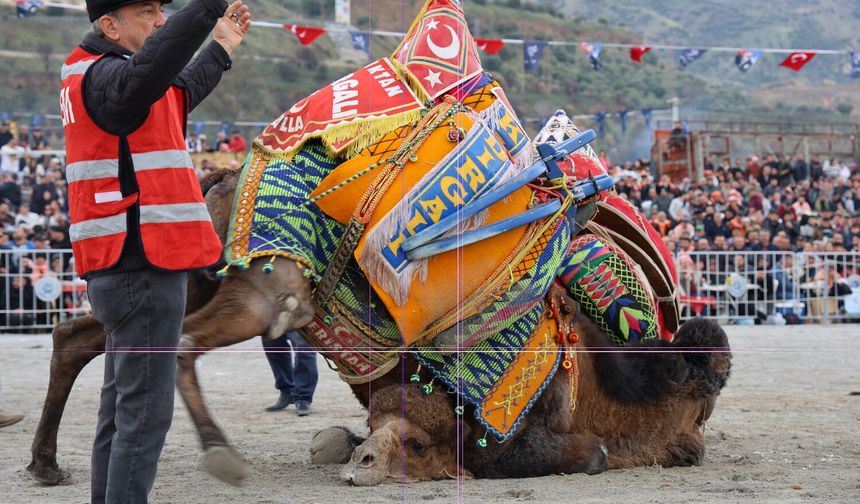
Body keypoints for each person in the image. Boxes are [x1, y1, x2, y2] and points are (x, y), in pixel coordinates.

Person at [64, 1, 250, 502]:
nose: (161, 20)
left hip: (127, 265)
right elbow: (162, 67)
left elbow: (179, 91)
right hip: (142, 263)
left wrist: (223, 46)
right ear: (109, 25)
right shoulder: (110, 79)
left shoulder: (110, 79)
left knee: (121, 412)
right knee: (144, 416)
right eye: (147, 11)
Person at [262, 331, 319, 416]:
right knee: (271, 343)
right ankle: (286, 392)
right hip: (273, 317)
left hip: (298, 318)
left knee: (303, 348)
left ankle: (303, 398)